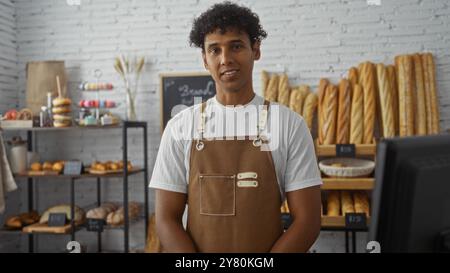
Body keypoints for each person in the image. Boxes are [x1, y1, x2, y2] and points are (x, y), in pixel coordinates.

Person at [149, 1, 322, 253]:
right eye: (214, 50)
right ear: (205, 60)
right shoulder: (180, 127)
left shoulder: (289, 125)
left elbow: (308, 222)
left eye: (236, 46)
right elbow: (166, 220)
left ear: (256, 49)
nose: (226, 59)